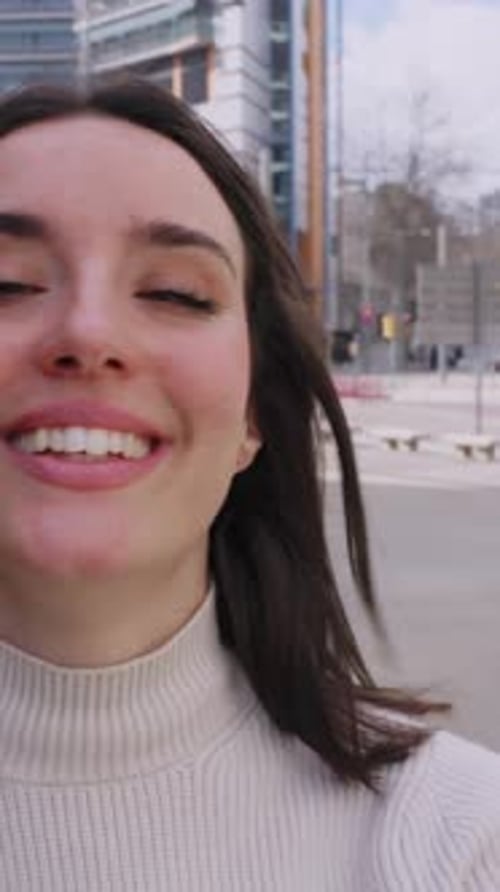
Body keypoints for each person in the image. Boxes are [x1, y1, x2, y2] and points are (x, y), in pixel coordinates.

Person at [0, 78, 498, 892]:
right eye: (8, 284)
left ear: (254, 415)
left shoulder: (459, 841)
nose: (87, 333)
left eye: (174, 293)